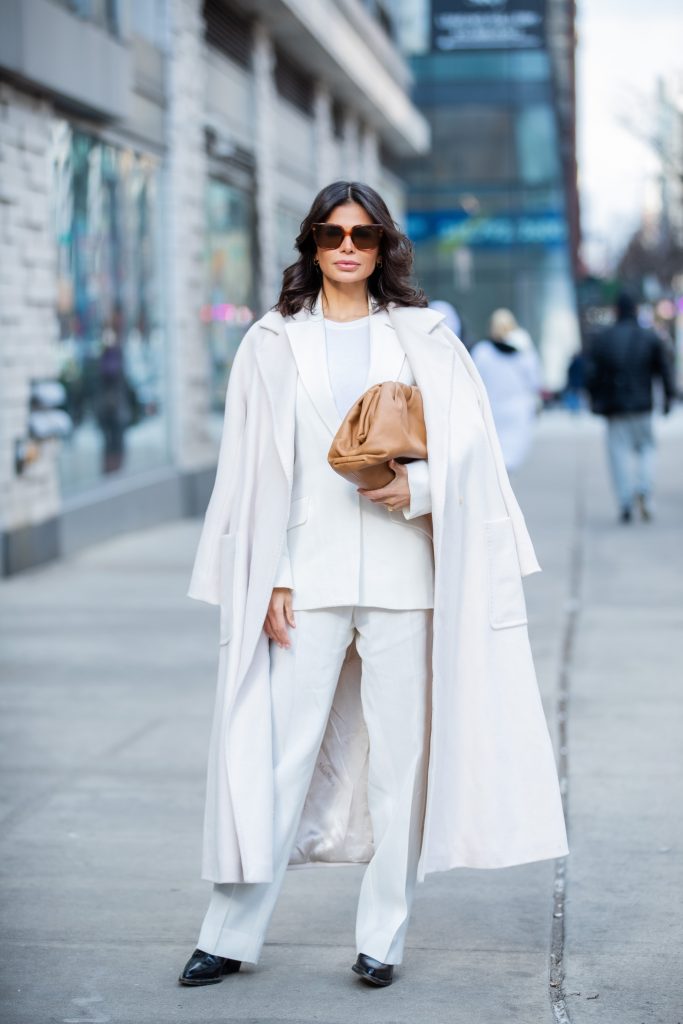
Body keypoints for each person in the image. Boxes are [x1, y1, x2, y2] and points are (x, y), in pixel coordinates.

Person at [179, 181, 567, 990]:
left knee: (401, 764)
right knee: (276, 757)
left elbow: (468, 450)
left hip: (405, 576)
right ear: (310, 245)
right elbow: (253, 470)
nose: (345, 246)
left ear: (384, 245)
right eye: (329, 234)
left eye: (361, 233)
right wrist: (273, 578)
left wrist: (419, 493)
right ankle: (228, 931)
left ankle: (381, 938)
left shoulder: (425, 337)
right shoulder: (270, 341)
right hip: (305, 577)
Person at [585, 292, 675, 522]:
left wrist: (594, 401)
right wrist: (668, 398)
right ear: (635, 310)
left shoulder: (604, 338)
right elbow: (664, 370)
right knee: (647, 448)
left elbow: (591, 373)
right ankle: (644, 487)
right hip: (643, 405)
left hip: (614, 407)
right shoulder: (649, 337)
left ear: (616, 311)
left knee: (618, 453)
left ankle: (625, 500)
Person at [471, 309, 542, 471]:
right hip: (518, 408)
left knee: (495, 453)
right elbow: (535, 381)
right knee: (512, 454)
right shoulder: (524, 351)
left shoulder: (482, 351)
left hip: (492, 408)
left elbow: (474, 379)